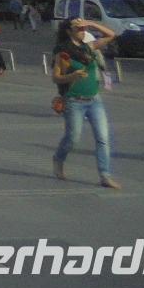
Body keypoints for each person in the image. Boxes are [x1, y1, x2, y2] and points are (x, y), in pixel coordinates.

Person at [52, 17, 120, 188]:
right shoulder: (64, 52)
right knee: (73, 138)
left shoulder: (88, 47)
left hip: (95, 99)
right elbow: (56, 77)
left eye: (84, 29)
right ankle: (58, 159)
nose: (83, 31)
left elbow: (112, 35)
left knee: (103, 138)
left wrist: (91, 23)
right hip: (74, 101)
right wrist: (72, 76)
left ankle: (105, 175)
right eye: (79, 29)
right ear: (69, 31)